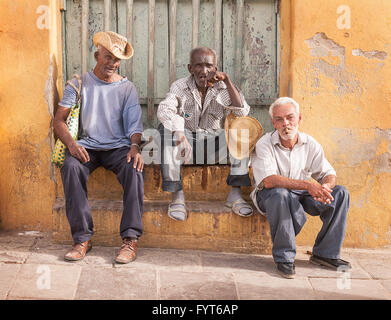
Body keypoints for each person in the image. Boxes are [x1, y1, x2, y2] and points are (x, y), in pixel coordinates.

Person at [54, 31, 144, 264]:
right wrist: (72, 145)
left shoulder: (127, 88)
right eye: (108, 57)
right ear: (96, 55)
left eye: (117, 60)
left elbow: (135, 126)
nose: (112, 63)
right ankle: (82, 239)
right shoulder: (78, 83)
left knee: (134, 170)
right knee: (70, 167)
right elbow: (58, 120)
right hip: (86, 147)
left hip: (117, 148)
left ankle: (130, 240)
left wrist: (135, 147)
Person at [250, 97, 351, 279]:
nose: (285, 124)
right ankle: (284, 258)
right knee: (280, 194)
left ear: (299, 119)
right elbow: (268, 181)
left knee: (340, 193)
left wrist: (326, 187)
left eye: (290, 118)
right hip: (270, 195)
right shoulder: (264, 144)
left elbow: (328, 172)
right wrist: (308, 185)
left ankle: (325, 254)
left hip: (301, 194)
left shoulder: (309, 143)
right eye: (279, 119)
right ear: (273, 123)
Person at [157, 46, 253, 221]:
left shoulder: (223, 88)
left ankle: (235, 195)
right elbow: (165, 110)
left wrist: (228, 82)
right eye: (198, 65)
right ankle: (177, 197)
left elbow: (242, 112)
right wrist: (179, 134)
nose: (204, 71)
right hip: (185, 148)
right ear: (190, 68)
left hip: (213, 148)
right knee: (164, 128)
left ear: (215, 69)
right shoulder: (180, 86)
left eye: (209, 66)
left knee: (242, 128)